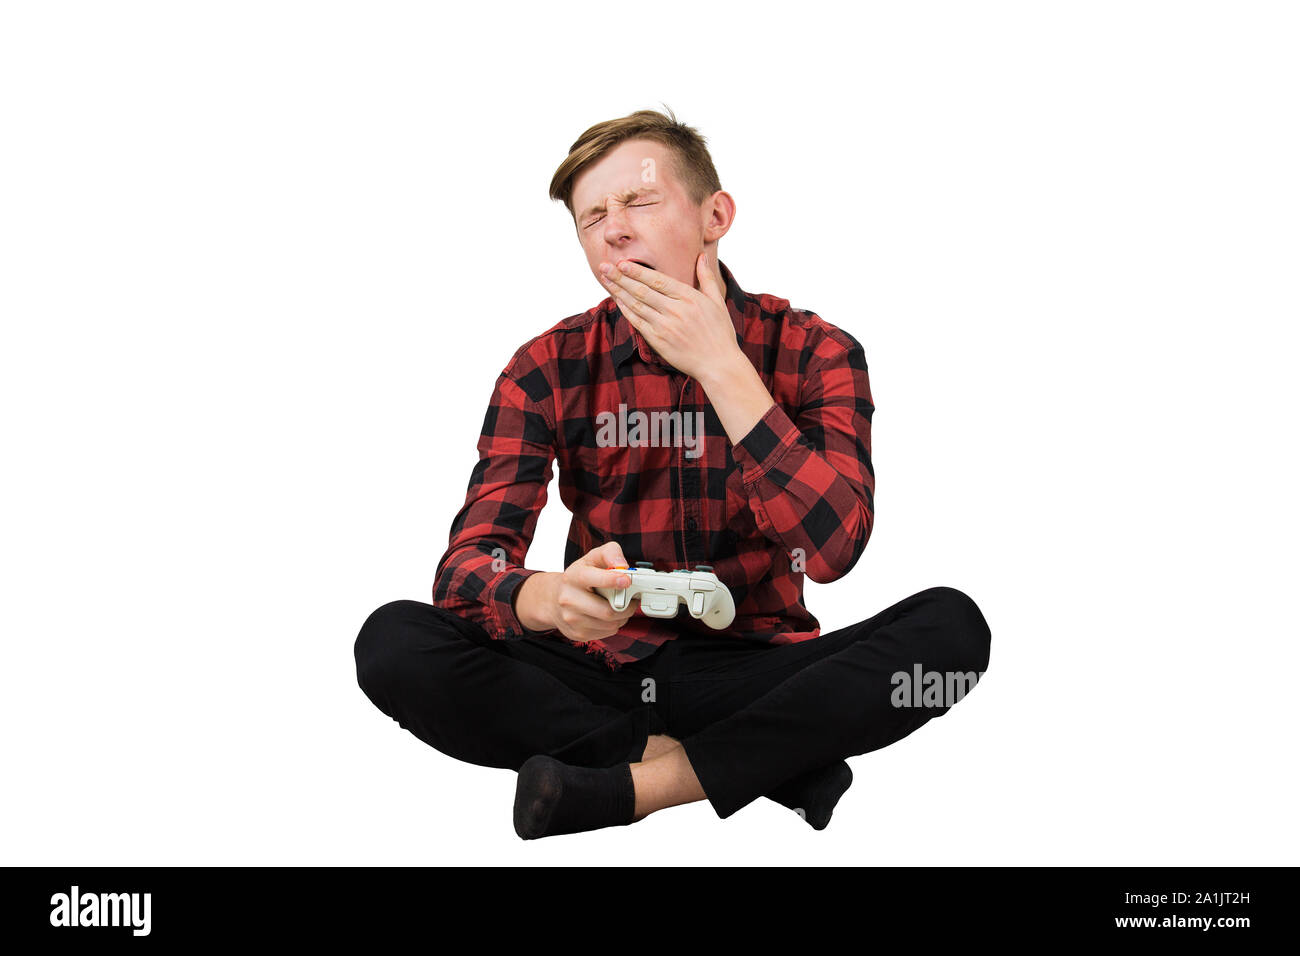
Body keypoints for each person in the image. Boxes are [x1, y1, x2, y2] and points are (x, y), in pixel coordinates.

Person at [354, 107, 992, 839]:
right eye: (593, 218)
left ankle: (639, 787)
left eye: (639, 201)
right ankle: (771, 761)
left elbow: (834, 551)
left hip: (754, 669)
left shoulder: (817, 350)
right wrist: (547, 599)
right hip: (596, 671)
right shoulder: (544, 366)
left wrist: (722, 366)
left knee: (951, 632)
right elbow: (466, 571)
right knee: (393, 642)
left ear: (715, 216)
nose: (615, 231)